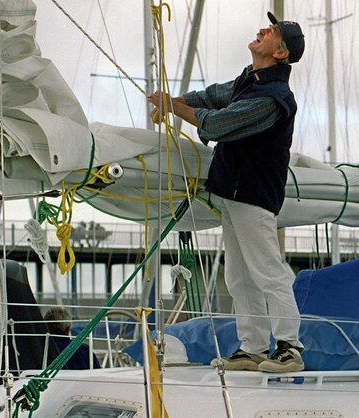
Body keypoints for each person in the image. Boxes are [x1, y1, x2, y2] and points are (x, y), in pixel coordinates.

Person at [147, 12, 306, 373]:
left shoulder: (273, 97)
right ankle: (252, 347)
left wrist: (172, 106)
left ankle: (290, 347)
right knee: (239, 275)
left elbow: (219, 123)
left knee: (268, 272)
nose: (262, 30)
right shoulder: (250, 80)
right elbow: (213, 96)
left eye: (271, 32)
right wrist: (174, 99)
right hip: (233, 192)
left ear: (279, 52)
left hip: (253, 194)